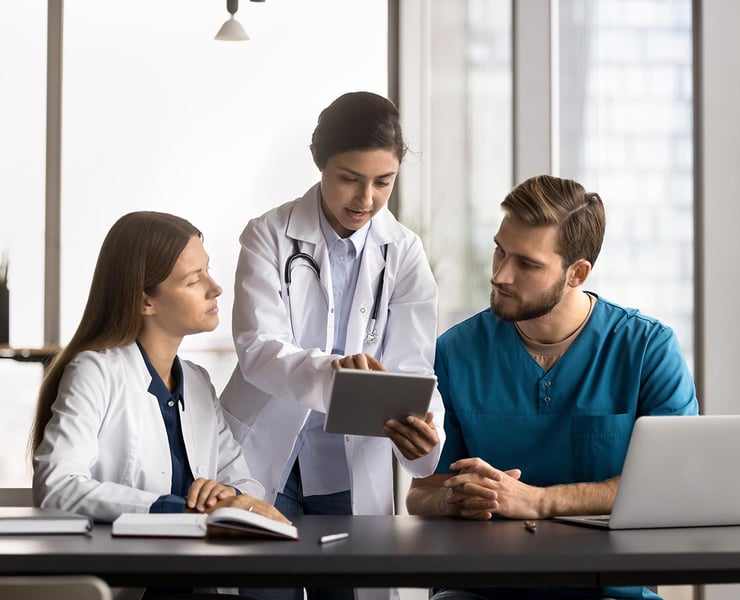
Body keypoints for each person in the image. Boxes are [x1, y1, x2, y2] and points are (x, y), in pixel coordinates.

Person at [406, 174, 698, 600]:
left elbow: (672, 485)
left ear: (576, 273)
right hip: (481, 589)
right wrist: (450, 501)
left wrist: (538, 501)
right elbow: (421, 493)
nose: (501, 274)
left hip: (609, 590)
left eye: (527, 264)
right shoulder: (454, 351)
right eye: (499, 251)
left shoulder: (646, 349)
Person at [220, 91, 445, 600]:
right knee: (262, 593)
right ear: (319, 162)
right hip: (263, 456)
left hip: (346, 461)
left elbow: (411, 367)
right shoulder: (268, 235)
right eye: (349, 178)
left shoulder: (404, 253)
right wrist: (336, 373)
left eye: (383, 182)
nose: (366, 199)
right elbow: (257, 347)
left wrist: (426, 430)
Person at [31, 211, 287, 528]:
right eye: (193, 280)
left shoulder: (197, 382)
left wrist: (226, 496)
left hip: (199, 568)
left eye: (208, 271)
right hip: (129, 570)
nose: (215, 288)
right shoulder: (94, 372)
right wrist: (179, 509)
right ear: (146, 302)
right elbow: (58, 486)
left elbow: (244, 483)